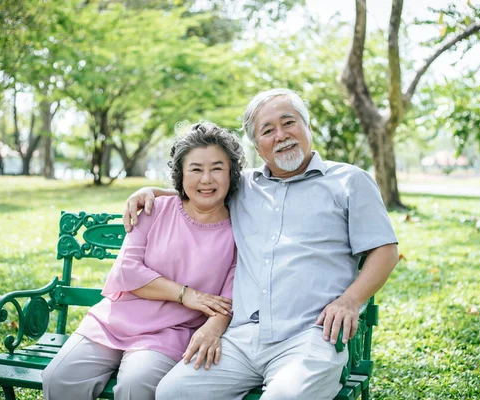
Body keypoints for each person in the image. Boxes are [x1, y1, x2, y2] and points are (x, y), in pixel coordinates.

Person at [123, 88, 399, 400]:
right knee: (174, 392)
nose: (281, 135)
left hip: (310, 335)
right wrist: (151, 191)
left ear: (308, 127)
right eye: (267, 131)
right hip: (242, 336)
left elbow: (385, 250)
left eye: (289, 123)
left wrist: (350, 301)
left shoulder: (350, 181)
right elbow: (202, 190)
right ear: (257, 145)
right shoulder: (243, 186)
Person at [42, 122, 246, 400]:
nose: (206, 179)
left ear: (232, 172)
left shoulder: (239, 230)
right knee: (59, 378)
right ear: (181, 174)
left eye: (217, 168)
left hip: (169, 333)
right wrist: (186, 294)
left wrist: (213, 324)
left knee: (135, 386)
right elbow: (128, 272)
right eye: (196, 169)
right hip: (114, 320)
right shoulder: (154, 208)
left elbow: (228, 299)